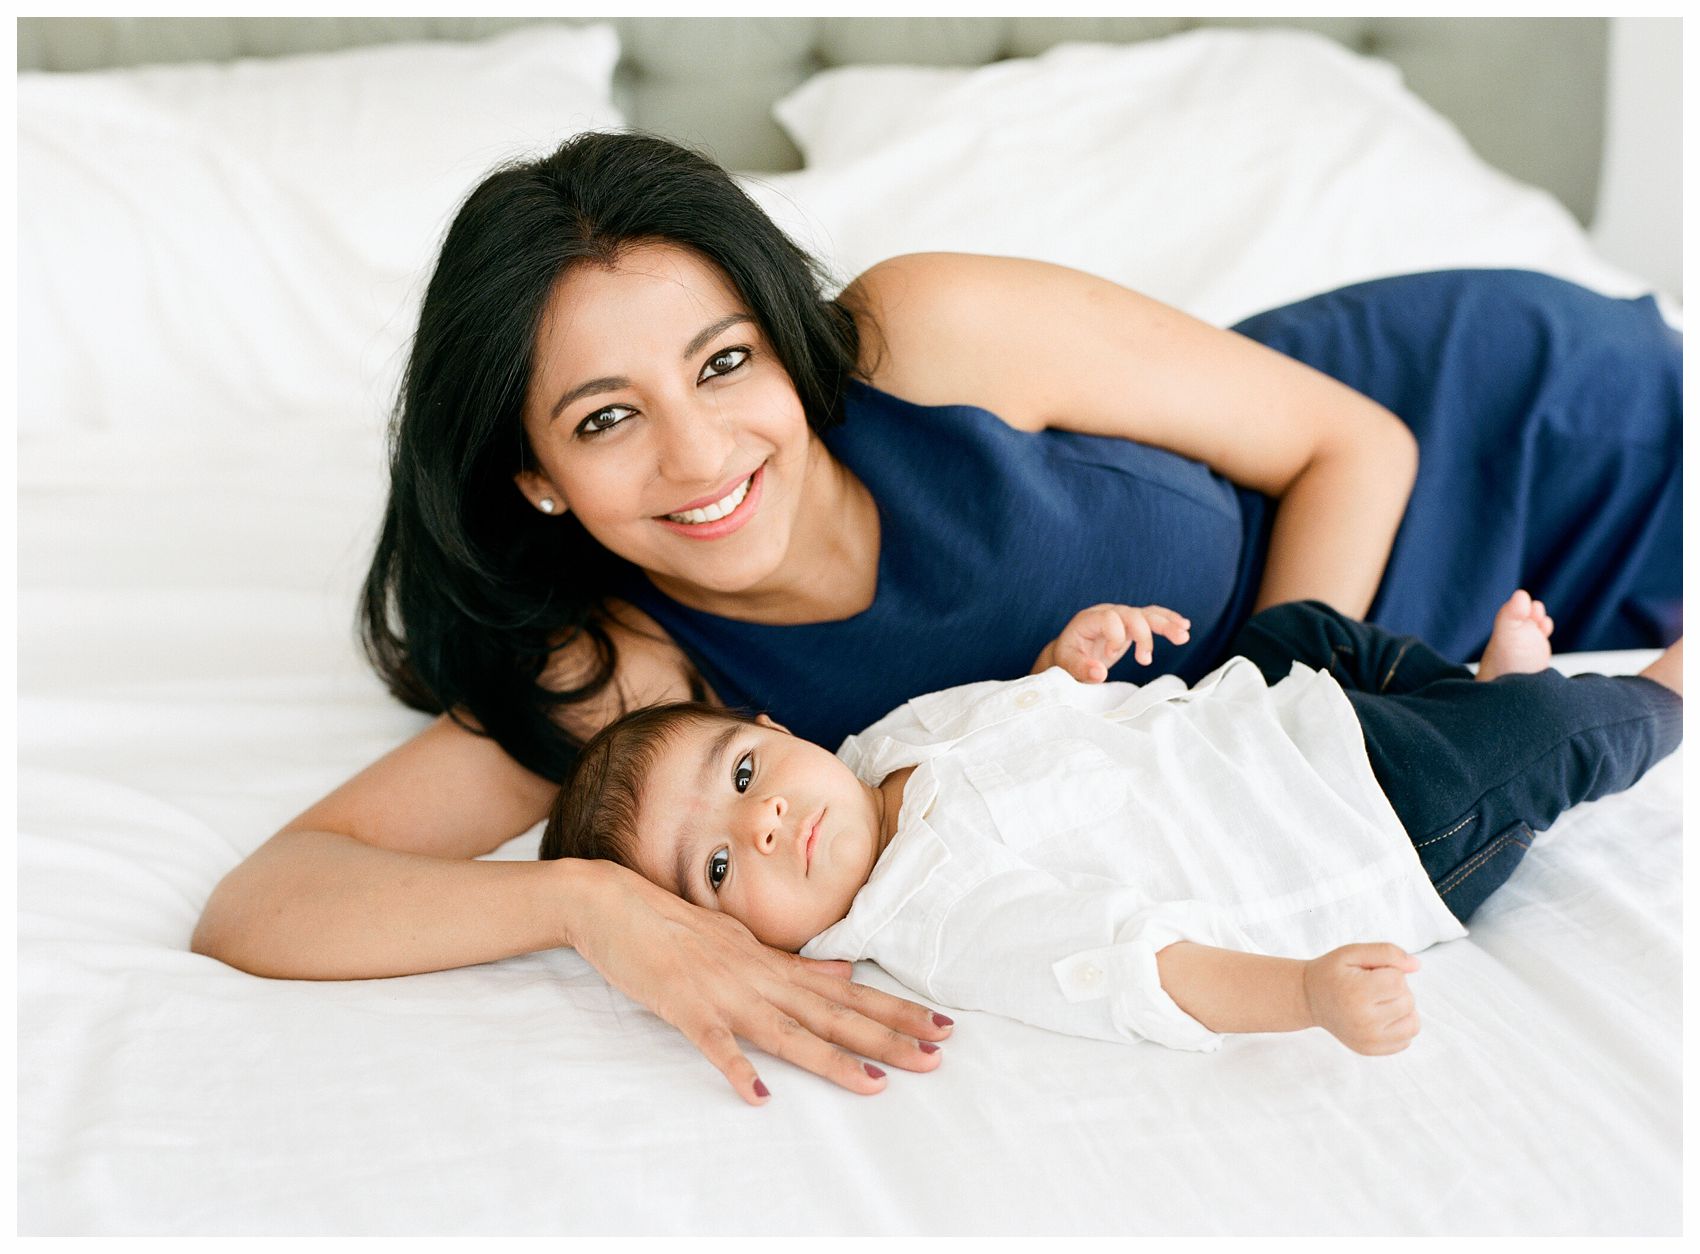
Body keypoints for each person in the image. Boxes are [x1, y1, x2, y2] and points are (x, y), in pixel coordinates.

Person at [191, 131, 1682, 1103]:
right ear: (536, 477)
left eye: (722, 365)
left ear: (778, 335)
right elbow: (268, 903)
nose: (700, 456)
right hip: (1427, 692)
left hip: (1513, 431)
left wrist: (1268, 696)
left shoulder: (927, 335)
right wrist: (599, 905)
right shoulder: (631, 672)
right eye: (606, 418)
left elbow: (1358, 445)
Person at [543, 595, 1682, 1079]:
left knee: (1299, 627)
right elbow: (1139, 967)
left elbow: (1015, 720)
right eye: (722, 865)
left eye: (743, 774)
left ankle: (1469, 687)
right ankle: (1651, 698)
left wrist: (1061, 667)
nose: (766, 818)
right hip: (1370, 826)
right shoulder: (939, 916)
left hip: (1274, 722)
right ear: (745, 945)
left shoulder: (881, 743)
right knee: (1544, 736)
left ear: (770, 727)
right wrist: (1306, 994)